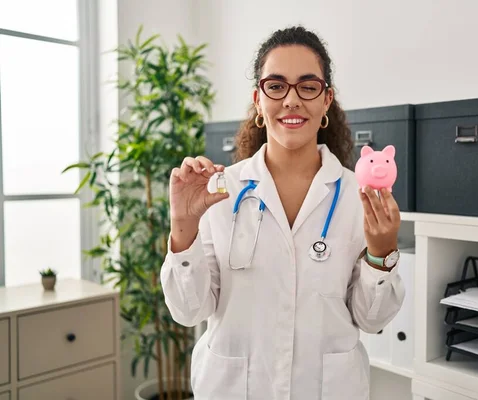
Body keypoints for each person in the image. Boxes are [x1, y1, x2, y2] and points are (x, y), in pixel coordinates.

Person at [160, 25, 406, 400]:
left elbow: (372, 320)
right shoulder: (221, 190)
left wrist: (381, 253)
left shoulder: (358, 195)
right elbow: (189, 311)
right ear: (258, 100)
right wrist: (183, 228)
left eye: (307, 86)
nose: (291, 100)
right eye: (276, 86)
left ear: (327, 100)